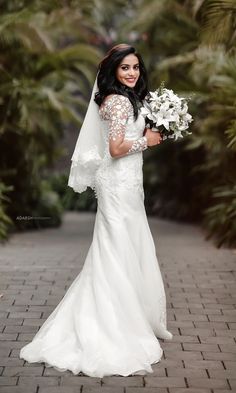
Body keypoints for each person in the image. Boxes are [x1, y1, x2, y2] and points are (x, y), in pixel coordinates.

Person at [19, 43, 173, 378]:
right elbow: (117, 149)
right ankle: (113, 325)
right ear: (113, 71)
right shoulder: (118, 102)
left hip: (127, 184)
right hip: (118, 183)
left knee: (124, 246)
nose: (131, 73)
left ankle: (129, 315)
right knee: (116, 249)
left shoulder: (119, 99)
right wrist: (148, 140)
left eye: (135, 67)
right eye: (125, 68)